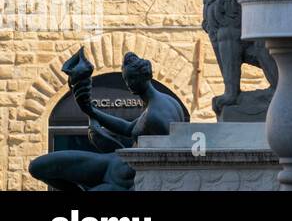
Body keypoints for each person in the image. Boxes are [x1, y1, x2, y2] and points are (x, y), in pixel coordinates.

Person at [29, 53, 185, 191]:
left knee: (40, 168)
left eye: (132, 78)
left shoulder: (156, 115)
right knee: (38, 167)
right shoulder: (162, 103)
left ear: (145, 76)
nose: (128, 83)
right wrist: (90, 110)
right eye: (125, 79)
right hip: (113, 163)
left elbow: (167, 167)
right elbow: (129, 128)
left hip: (122, 181)